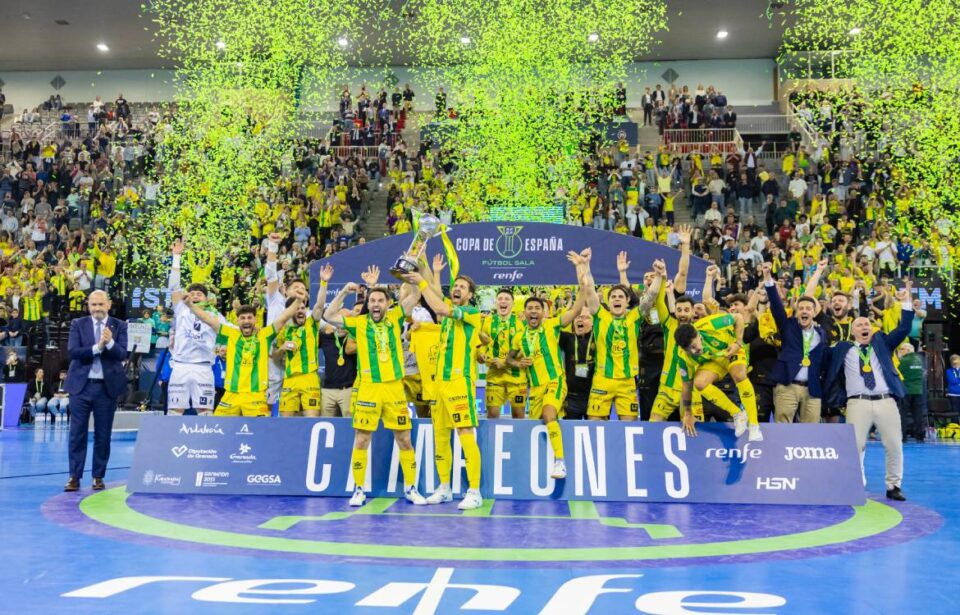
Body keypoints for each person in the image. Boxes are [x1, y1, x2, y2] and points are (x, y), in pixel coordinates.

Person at [323, 267, 426, 507]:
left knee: (404, 440)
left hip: (393, 390)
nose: (376, 304)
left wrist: (409, 273)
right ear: (367, 304)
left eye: (380, 300)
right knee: (361, 440)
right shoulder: (358, 324)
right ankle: (358, 489)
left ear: (388, 304)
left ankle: (411, 488)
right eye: (372, 300)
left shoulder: (395, 316)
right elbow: (328, 314)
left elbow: (414, 296)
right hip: (368, 389)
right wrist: (344, 293)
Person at [403, 261, 484, 510]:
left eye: (462, 287)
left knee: (465, 435)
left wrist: (421, 281)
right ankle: (445, 488)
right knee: (441, 437)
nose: (457, 288)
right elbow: (437, 297)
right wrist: (424, 261)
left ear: (470, 295)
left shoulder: (471, 313)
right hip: (440, 384)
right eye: (456, 285)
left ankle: (474, 491)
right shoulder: (447, 311)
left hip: (460, 382)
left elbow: (436, 302)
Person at [823, 280, 914, 501]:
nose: (864, 327)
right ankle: (856, 481)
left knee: (893, 444)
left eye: (867, 324)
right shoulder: (843, 348)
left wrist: (906, 303)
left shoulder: (882, 342)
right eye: (859, 325)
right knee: (855, 446)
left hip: (886, 401)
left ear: (873, 329)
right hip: (857, 402)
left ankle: (894, 486)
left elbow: (903, 328)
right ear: (852, 331)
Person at [506, 286, 586, 479]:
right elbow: (508, 359)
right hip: (534, 389)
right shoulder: (518, 337)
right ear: (524, 313)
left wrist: (583, 285)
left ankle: (560, 462)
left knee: (548, 415)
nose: (533, 311)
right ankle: (536, 469)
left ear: (543, 312)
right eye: (530, 308)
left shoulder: (552, 326)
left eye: (537, 308)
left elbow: (575, 311)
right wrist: (518, 363)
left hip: (555, 381)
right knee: (535, 426)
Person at [575, 248, 661, 421]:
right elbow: (590, 289)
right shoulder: (600, 314)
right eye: (613, 296)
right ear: (608, 301)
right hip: (602, 379)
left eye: (620, 296)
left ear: (627, 301)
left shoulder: (635, 316)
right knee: (595, 424)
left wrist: (659, 275)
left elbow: (651, 296)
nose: (616, 299)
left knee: (629, 426)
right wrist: (587, 265)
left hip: (627, 381)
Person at [184, 295, 301, 417]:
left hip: (256, 395)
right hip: (231, 395)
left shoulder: (265, 335)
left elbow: (283, 318)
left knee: (260, 432)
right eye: (242, 318)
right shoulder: (230, 334)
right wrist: (190, 305)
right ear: (237, 320)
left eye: (250, 317)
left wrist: (298, 300)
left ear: (255, 319)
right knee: (218, 429)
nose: (246, 321)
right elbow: (208, 319)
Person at [64, 290, 129, 492]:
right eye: (93, 305)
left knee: (103, 435)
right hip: (80, 388)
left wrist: (109, 343)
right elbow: (73, 352)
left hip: (106, 389)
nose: (97, 309)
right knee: (77, 434)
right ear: (88, 306)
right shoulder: (78, 324)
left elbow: (122, 354)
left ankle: (98, 477)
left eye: (101, 304)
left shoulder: (120, 325)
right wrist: (97, 347)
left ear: (108, 304)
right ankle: (74, 477)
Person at [674, 310, 764, 442]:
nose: (695, 351)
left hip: (732, 350)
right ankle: (738, 414)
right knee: (699, 383)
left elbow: (738, 317)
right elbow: (687, 385)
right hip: (714, 362)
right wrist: (688, 413)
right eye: (690, 350)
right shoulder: (683, 357)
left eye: (695, 346)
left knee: (738, 374)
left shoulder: (710, 324)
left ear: (698, 334)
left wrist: (738, 343)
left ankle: (754, 425)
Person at [762, 261, 829, 423]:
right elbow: (777, 307)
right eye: (801, 308)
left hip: (812, 389)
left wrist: (819, 270)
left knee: (810, 433)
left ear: (814, 312)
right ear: (796, 312)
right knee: (783, 430)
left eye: (808, 308)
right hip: (787, 386)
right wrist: (767, 278)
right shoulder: (788, 326)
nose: (804, 311)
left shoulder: (821, 333)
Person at [167, 239, 223, 415]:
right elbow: (174, 287)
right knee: (175, 411)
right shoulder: (181, 309)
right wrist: (176, 257)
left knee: (205, 412)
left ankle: (206, 442)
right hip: (181, 366)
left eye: (199, 294)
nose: (195, 296)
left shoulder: (215, 315)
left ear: (207, 299)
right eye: (192, 294)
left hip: (204, 367)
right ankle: (172, 442)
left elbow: (230, 332)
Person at [273, 273, 330, 417]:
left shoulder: (312, 323)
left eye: (302, 308)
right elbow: (274, 356)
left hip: (309, 377)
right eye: (296, 308)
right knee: (285, 425)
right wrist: (281, 348)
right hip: (289, 379)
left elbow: (319, 306)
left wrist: (323, 283)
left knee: (311, 422)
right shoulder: (283, 330)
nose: (300, 311)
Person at [480, 289, 527, 419]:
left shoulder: (521, 323)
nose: (503, 301)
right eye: (500, 299)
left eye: (507, 299)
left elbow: (524, 350)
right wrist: (482, 355)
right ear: (495, 303)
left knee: (519, 415)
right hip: (495, 375)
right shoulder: (488, 321)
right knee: (492, 415)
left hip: (517, 377)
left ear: (512, 304)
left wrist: (504, 363)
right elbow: (483, 343)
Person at [896, 343, 927, 442]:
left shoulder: (904, 361)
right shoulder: (919, 360)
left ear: (907, 350)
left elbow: (897, 374)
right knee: (918, 414)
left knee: (903, 414)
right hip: (918, 391)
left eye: (902, 349)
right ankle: (920, 435)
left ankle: (903, 436)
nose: (900, 351)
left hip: (906, 391)